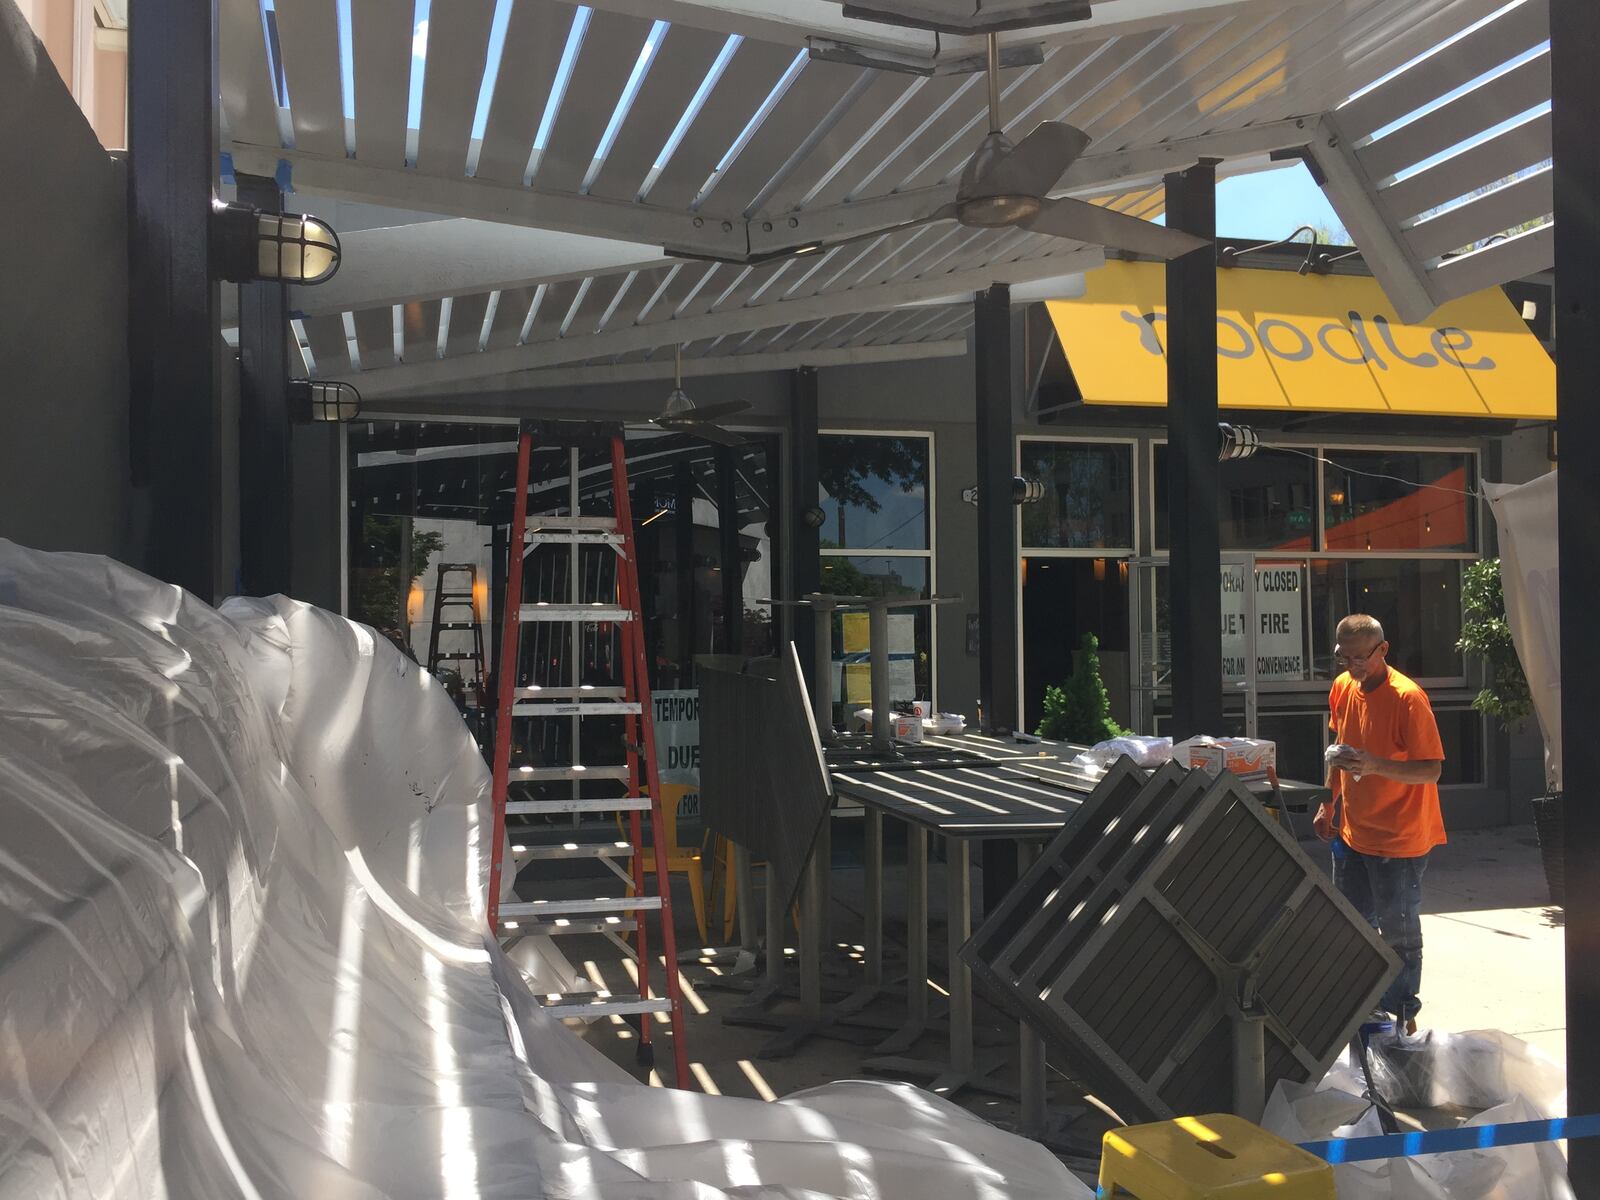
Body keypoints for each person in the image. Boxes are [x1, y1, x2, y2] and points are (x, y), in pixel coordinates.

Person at [1315, 613, 1445, 1033]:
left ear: (1383, 650)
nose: (1353, 666)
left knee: (1399, 933)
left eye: (1362, 658)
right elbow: (1338, 748)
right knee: (1352, 926)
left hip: (1401, 839)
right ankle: (1361, 1008)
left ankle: (1402, 1015)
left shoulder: (1408, 698)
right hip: (1353, 833)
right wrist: (1328, 801)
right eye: (1344, 657)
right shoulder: (1342, 688)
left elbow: (1430, 770)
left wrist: (1374, 765)